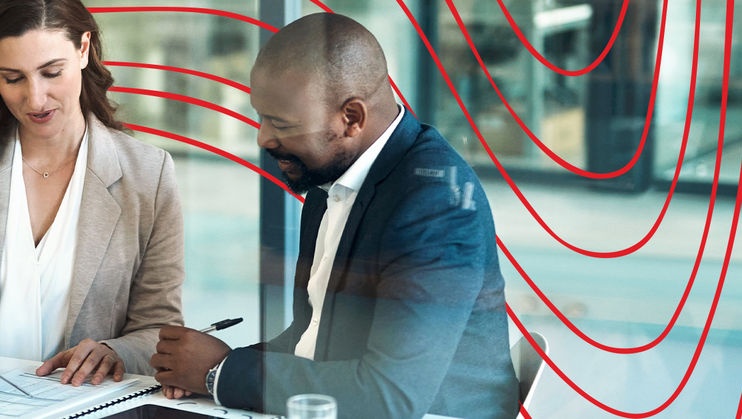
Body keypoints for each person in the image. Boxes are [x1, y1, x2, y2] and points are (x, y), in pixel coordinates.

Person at [150, 13, 518, 419]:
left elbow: (390, 397)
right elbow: (312, 339)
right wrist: (206, 366)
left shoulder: (433, 205)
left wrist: (220, 373)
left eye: (282, 124)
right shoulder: (332, 178)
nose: (263, 138)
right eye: (261, 116)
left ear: (352, 119)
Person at [0, 0, 184, 399]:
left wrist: (115, 351)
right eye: (13, 78)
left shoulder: (149, 173)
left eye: (51, 72)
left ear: (83, 48)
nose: (36, 99)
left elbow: (159, 325)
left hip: (87, 403)